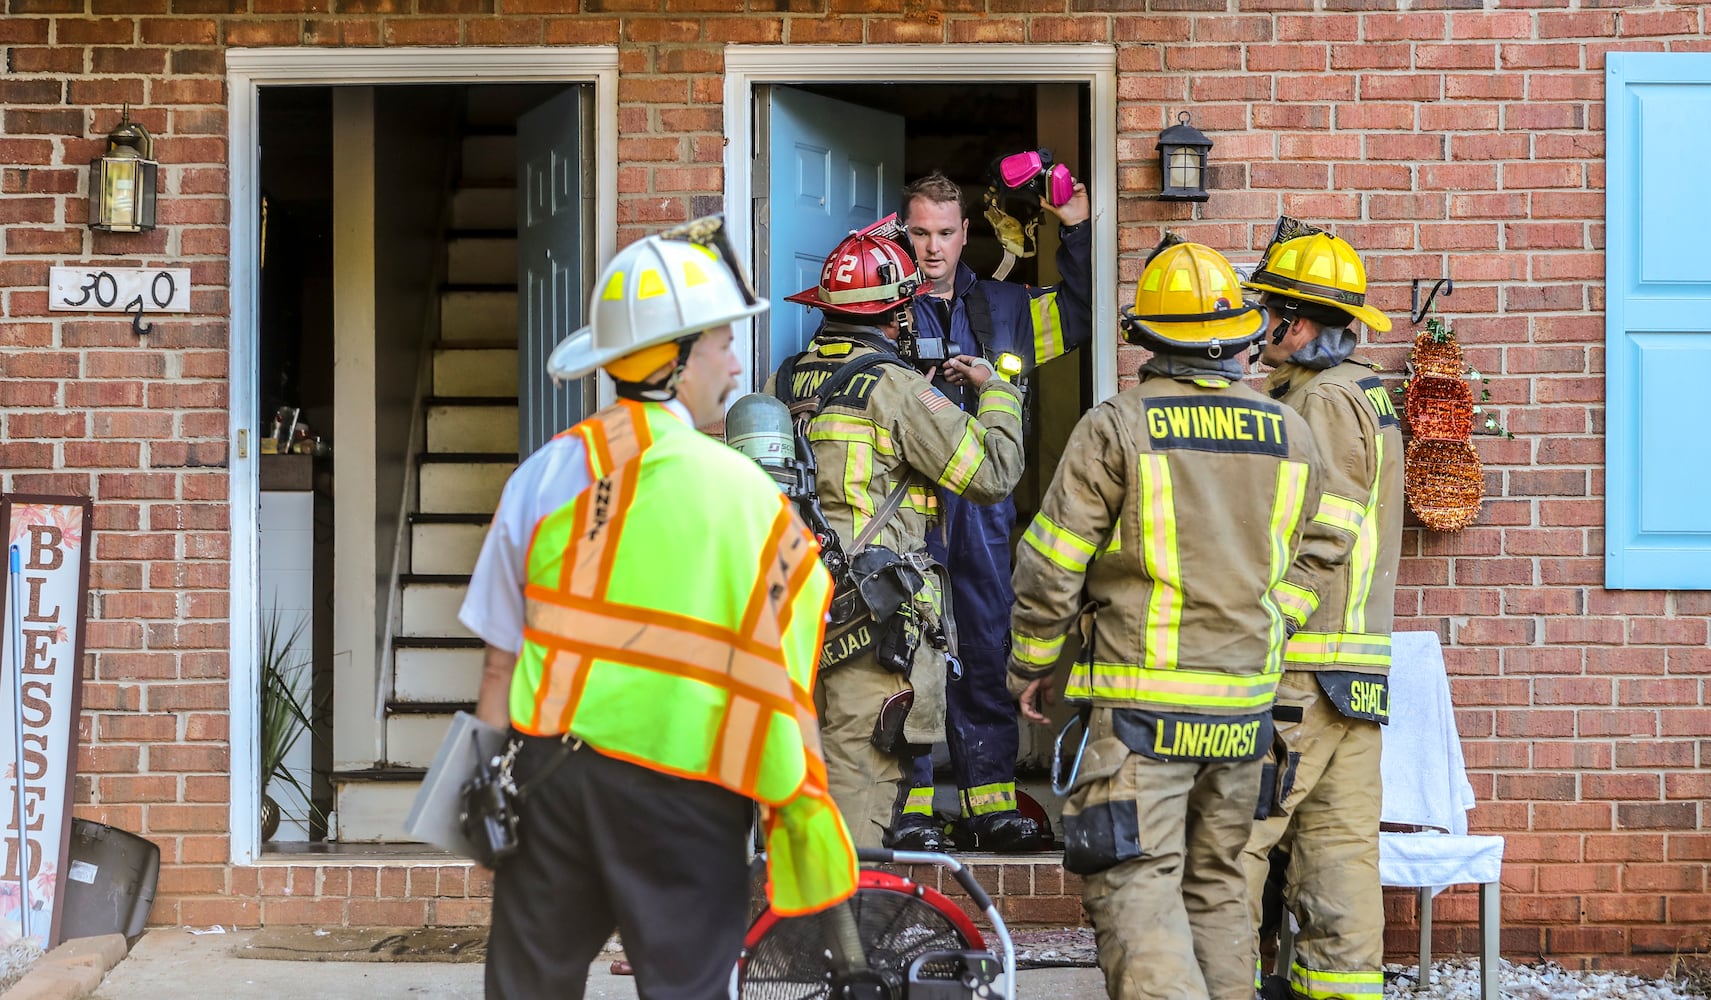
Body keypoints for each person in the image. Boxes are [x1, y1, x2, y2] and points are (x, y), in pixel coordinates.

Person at [460, 220, 857, 1000]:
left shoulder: (545, 476)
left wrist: (481, 786)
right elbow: (788, 675)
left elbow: (501, 660)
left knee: (527, 989)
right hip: (690, 789)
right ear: (676, 363)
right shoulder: (747, 494)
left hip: (550, 783)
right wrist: (802, 799)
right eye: (719, 344)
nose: (735, 363)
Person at [1008, 240, 1345, 1000]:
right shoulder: (1289, 433)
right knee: (1221, 886)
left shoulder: (1117, 425)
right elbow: (1321, 546)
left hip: (1142, 710)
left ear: (1144, 340)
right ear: (1236, 339)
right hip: (1244, 711)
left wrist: (1030, 661)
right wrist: (1272, 627)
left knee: (1135, 878)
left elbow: (1052, 562)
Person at [767, 228, 1025, 849]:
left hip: (793, 611)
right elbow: (993, 473)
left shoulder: (786, 382)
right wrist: (997, 391)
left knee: (797, 774)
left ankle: (784, 926)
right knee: (859, 783)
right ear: (900, 312)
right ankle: (837, 936)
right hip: (870, 619)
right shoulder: (899, 390)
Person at [891, 168, 1094, 853]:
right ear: (902, 231)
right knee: (906, 656)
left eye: (944, 233)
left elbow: (1083, 310)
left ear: (964, 233)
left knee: (984, 648)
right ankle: (907, 810)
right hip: (903, 508)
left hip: (981, 509)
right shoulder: (880, 306)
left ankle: (991, 805)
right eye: (918, 232)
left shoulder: (1006, 309)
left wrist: (1075, 228)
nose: (931, 248)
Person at [1238, 223, 1402, 1000]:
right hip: (1354, 673)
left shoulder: (1324, 400)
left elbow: (1328, 522)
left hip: (1302, 670)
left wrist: (1270, 620)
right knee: (1338, 854)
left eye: (1264, 312)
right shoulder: (1359, 388)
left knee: (1236, 842)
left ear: (1293, 324)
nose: (1255, 326)